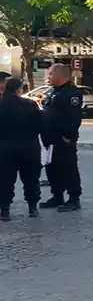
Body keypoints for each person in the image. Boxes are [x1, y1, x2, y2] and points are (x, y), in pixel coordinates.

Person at [39, 64, 83, 212]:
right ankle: (57, 195)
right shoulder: (52, 91)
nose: (48, 76)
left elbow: (74, 118)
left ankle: (73, 198)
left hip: (63, 139)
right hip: (49, 138)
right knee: (52, 168)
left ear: (60, 76)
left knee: (68, 168)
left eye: (51, 74)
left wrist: (68, 136)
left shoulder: (71, 93)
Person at [0, 78, 43, 221]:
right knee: (31, 179)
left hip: (5, 148)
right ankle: (32, 207)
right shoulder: (30, 104)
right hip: (29, 146)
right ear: (19, 89)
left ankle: (4, 209)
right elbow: (40, 125)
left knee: (5, 180)